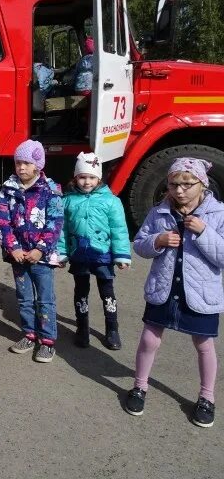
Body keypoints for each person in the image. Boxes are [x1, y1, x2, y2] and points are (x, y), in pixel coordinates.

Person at [126, 158, 224, 428]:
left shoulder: (218, 214)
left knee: (204, 345)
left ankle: (206, 397)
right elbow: (140, 245)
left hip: (201, 292)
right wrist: (157, 241)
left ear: (202, 184)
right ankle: (139, 386)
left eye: (187, 184)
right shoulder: (159, 213)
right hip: (164, 287)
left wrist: (204, 232)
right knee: (149, 339)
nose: (179, 191)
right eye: (173, 184)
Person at [0, 140, 63, 363]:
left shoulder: (50, 191)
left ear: (38, 165)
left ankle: (47, 340)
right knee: (24, 298)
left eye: (26, 163)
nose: (21, 167)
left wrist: (40, 250)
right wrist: (12, 247)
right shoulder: (8, 189)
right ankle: (29, 334)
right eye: (18, 163)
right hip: (18, 257)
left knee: (45, 299)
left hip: (40, 257)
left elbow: (54, 224)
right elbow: (3, 222)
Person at [57, 152, 131, 349]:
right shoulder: (67, 201)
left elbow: (119, 229)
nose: (86, 181)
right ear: (75, 177)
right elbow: (62, 230)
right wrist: (61, 252)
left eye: (91, 177)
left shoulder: (111, 201)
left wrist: (121, 254)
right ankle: (82, 328)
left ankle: (112, 328)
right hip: (79, 253)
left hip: (103, 255)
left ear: (99, 178)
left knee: (107, 292)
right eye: (82, 177)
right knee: (81, 292)